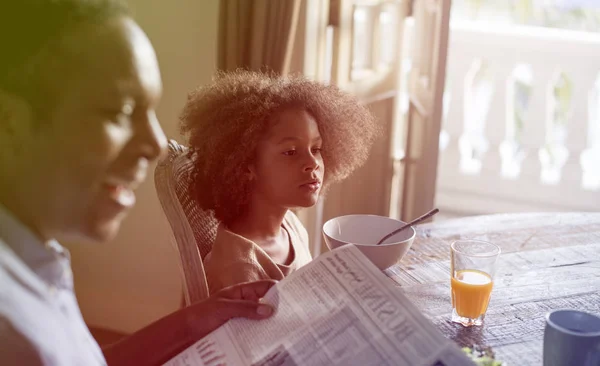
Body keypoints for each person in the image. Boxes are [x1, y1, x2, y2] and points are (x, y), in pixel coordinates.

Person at [0, 1, 275, 365]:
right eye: (120, 112)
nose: (158, 144)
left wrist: (198, 319)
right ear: (10, 124)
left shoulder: (32, 256)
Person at [180, 70, 380, 294]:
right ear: (246, 165)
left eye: (316, 149)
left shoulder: (291, 226)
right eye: (291, 152)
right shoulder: (239, 269)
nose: (312, 163)